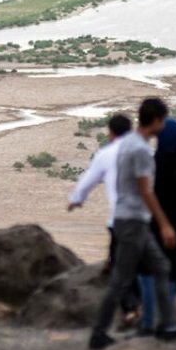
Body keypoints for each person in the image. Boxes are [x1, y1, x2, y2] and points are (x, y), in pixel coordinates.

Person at [90, 98, 176, 349]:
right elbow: (146, 191)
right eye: (162, 121)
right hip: (135, 221)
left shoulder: (131, 146)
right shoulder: (144, 152)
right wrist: (164, 224)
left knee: (157, 268)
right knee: (123, 280)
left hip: (135, 220)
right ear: (155, 120)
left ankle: (164, 326)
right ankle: (100, 333)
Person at [136, 116, 176, 335]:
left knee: (147, 271)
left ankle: (148, 322)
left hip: (153, 225)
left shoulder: (153, 164)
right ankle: (167, 322)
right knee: (171, 272)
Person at [67, 113, 133, 274]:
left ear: (111, 132)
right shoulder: (146, 153)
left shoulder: (106, 154)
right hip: (147, 220)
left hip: (121, 220)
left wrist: (76, 199)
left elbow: (87, 181)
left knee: (117, 268)